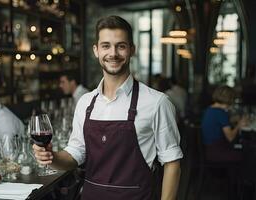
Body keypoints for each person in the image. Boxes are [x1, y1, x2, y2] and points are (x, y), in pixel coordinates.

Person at [33, 15, 182, 200]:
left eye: (121, 46)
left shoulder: (157, 102)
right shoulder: (85, 103)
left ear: (131, 50)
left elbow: (172, 163)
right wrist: (52, 157)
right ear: (96, 50)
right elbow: (75, 154)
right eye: (106, 46)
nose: (113, 53)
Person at [201, 85, 248, 163]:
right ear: (229, 99)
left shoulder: (209, 109)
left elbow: (217, 122)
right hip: (218, 152)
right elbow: (230, 138)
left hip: (208, 150)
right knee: (246, 154)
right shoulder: (221, 113)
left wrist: (231, 120)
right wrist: (239, 125)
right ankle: (236, 175)